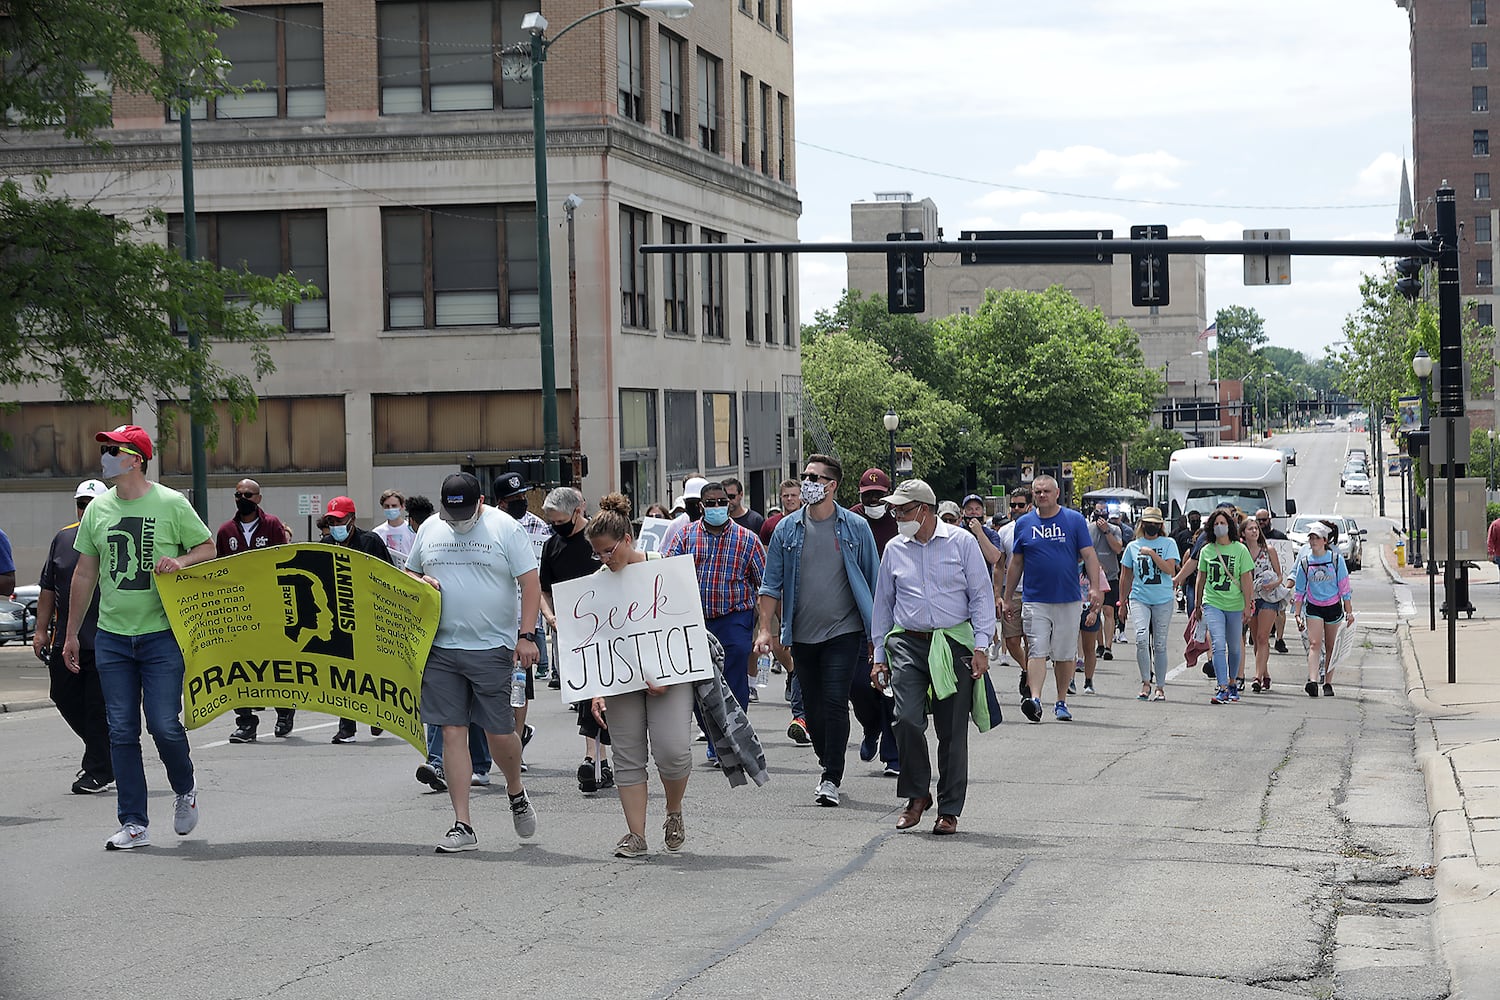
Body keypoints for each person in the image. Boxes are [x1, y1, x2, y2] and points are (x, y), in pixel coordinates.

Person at [65, 425, 216, 850]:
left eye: (114, 450)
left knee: (165, 724)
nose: (106, 456)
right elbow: (85, 572)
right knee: (121, 730)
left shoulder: (170, 502)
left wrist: (181, 561)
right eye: (105, 449)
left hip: (162, 634)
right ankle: (134, 822)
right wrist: (72, 633)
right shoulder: (98, 509)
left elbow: (207, 549)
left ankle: (184, 790)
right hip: (112, 636)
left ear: (136, 458)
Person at [406, 472, 541, 853]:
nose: (458, 520)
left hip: (492, 646)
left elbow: (530, 583)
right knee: (452, 732)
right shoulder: (431, 527)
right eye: (452, 514)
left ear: (481, 501)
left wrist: (526, 636)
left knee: (499, 732)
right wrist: (420, 582)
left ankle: (515, 791)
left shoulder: (505, 529)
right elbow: (411, 571)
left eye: (465, 512)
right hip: (442, 647)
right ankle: (462, 823)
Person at [871, 479, 994, 835]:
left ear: (923, 510)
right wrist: (879, 655)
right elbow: (884, 604)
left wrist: (982, 646)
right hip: (908, 643)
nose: (896, 516)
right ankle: (916, 795)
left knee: (952, 729)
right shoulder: (895, 548)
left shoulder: (962, 542)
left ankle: (950, 808)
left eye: (902, 510)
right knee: (906, 719)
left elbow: (982, 596)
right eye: (894, 509)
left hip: (954, 642)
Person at [755, 454, 879, 808]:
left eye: (814, 477)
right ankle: (827, 758)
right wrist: (765, 630)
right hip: (802, 635)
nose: (807, 482)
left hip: (845, 631)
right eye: (805, 476)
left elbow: (875, 582)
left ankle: (831, 777)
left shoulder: (856, 528)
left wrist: (878, 636)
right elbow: (770, 584)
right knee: (812, 708)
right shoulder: (786, 529)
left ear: (832, 485)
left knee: (835, 702)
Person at [584, 493, 695, 858]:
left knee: (674, 751)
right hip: (620, 680)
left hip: (669, 679)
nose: (604, 559)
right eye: (597, 554)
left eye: (609, 551)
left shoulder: (665, 567)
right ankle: (636, 835)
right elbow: (593, 642)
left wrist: (666, 670)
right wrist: (596, 691)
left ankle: (673, 811)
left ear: (627, 540)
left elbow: (687, 627)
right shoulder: (596, 584)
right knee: (627, 756)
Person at [663, 481, 765, 729]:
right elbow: (667, 576)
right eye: (711, 503)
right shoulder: (685, 537)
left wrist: (765, 626)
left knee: (733, 679)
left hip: (735, 618)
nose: (717, 506)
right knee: (699, 682)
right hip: (697, 620)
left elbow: (763, 585)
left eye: (722, 502)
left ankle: (736, 732)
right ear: (701, 506)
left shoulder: (747, 539)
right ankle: (712, 736)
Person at [1002, 476, 1102, 724]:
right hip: (1035, 599)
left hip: (1068, 598)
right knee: (1036, 648)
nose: (1042, 495)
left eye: (1046, 491)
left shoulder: (1074, 520)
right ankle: (1035, 699)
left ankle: (1061, 701)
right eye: (1037, 492)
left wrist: (1095, 588)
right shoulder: (1024, 524)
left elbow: (1089, 556)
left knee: (1064, 652)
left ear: (1057, 493)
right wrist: (1006, 597)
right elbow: (1016, 563)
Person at [34, 479, 112, 795]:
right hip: (66, 639)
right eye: (82, 504)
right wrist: (40, 631)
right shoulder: (63, 539)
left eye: (93, 504)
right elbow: (48, 588)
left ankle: (98, 770)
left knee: (96, 707)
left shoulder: (116, 538)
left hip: (106, 639)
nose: (86, 510)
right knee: (63, 696)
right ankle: (104, 754)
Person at [540, 487, 614, 792]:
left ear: (577, 512)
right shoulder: (551, 546)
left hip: (611, 627)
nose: (557, 527)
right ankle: (597, 759)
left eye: (560, 521)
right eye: (552, 523)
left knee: (605, 691)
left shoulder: (597, 539)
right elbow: (543, 587)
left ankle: (598, 759)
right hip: (571, 630)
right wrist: (550, 616)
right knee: (587, 691)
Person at [215, 478, 294, 742]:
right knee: (240, 665)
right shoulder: (226, 530)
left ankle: (284, 710)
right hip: (238, 608)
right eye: (238, 494)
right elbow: (220, 567)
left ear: (258, 498)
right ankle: (246, 722)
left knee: (274, 662)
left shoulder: (272, 525)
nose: (242, 498)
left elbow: (282, 560)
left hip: (269, 605)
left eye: (248, 494)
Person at [323, 495, 393, 744]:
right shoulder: (326, 543)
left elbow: (387, 574)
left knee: (370, 668)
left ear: (352, 519)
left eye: (339, 520)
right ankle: (347, 726)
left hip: (367, 615)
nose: (335, 526)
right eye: (331, 521)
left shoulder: (370, 541)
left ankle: (378, 715)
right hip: (337, 616)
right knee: (341, 671)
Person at [849, 468, 900, 776]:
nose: (873, 500)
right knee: (859, 685)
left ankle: (893, 756)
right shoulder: (851, 520)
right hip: (857, 614)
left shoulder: (899, 522)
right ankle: (871, 728)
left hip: (895, 614)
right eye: (868, 496)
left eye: (879, 495)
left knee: (892, 688)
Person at [758, 477, 809, 745]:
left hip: (806, 597)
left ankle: (801, 713)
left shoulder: (811, 521)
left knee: (801, 653)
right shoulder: (771, 526)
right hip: (779, 595)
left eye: (794, 495)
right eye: (786, 496)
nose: (790, 499)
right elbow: (770, 569)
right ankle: (793, 675)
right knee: (780, 646)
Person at [1191, 508, 1255, 706]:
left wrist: (1247, 605)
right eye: (1216, 524)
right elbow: (1201, 578)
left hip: (1235, 604)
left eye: (1223, 523)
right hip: (1213, 603)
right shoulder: (1207, 550)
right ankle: (1222, 687)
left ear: (1230, 526)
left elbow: (1246, 579)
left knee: (1235, 647)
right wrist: (1197, 603)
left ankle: (1233, 681)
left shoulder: (1240, 550)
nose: (1220, 527)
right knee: (1218, 644)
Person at [1118, 507, 1179, 703]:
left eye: (1155, 523)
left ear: (1160, 525)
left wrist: (1152, 554)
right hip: (1139, 597)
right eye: (1148, 523)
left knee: (1159, 644)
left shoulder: (1168, 543)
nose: (1151, 526)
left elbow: (1170, 569)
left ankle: (1160, 686)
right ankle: (1146, 681)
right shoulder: (1132, 546)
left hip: (1162, 598)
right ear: (1141, 524)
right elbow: (1126, 576)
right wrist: (1122, 601)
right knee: (1142, 638)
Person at [1293, 521, 1354, 698]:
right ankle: (1312, 681)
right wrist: (1297, 613)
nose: (1313, 541)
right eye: (1311, 538)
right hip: (1313, 607)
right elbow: (1299, 590)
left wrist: (1348, 611)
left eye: (1316, 538)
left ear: (1325, 540)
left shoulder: (1335, 560)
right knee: (1314, 644)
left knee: (1331, 645)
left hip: (1333, 606)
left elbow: (1344, 586)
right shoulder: (1305, 563)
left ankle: (1328, 681)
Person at [1241, 517, 1283, 694]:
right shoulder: (1241, 552)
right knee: (1255, 638)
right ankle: (1265, 673)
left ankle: (1257, 677)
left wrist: (1273, 584)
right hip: (1250, 598)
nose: (1254, 531)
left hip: (1268, 597)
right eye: (1250, 529)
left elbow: (1280, 575)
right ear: (1243, 533)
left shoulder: (1269, 551)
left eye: (1256, 528)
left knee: (1263, 636)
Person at [996, 487, 1033, 675]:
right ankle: (1027, 670)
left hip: (1034, 592)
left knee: (1030, 640)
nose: (1016, 508)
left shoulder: (1037, 527)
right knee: (1011, 640)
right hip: (1013, 592)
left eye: (1020, 505)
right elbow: (999, 565)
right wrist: (998, 595)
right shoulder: (1004, 531)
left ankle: (1031, 681)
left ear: (1030, 506)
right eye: (1013, 505)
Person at [1088, 503, 1125, 661]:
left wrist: (1107, 532)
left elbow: (1117, 548)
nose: (1101, 517)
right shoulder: (1088, 529)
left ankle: (1109, 646)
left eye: (1104, 513)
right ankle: (1100, 644)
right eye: (1098, 512)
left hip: (1111, 576)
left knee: (1109, 611)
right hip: (1092, 576)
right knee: (1095, 611)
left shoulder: (1115, 529)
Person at [1255, 508, 1292, 654]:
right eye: (1259, 520)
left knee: (1280, 611)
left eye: (1265, 519)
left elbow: (1287, 557)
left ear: (1269, 519)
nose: (1262, 523)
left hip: (1276, 582)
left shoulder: (1280, 536)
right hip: (1259, 585)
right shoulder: (1253, 540)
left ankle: (1279, 638)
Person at [373, 488, 417, 564]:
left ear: (402, 506)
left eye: (394, 506)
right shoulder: (377, 533)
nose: (390, 509)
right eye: (387, 506)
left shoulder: (412, 530)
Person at [960, 493, 1004, 567]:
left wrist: (979, 533)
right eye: (969, 509)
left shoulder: (991, 534)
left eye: (977, 509)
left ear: (982, 511)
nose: (973, 512)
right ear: (964, 512)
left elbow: (994, 558)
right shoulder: (959, 532)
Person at [1171, 511, 1202, 615]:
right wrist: (1178, 566)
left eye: (1197, 519)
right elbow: (1177, 551)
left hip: (1201, 576)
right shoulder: (1181, 536)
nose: (1195, 521)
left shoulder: (1204, 535)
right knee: (1191, 604)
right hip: (1188, 575)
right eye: (1193, 519)